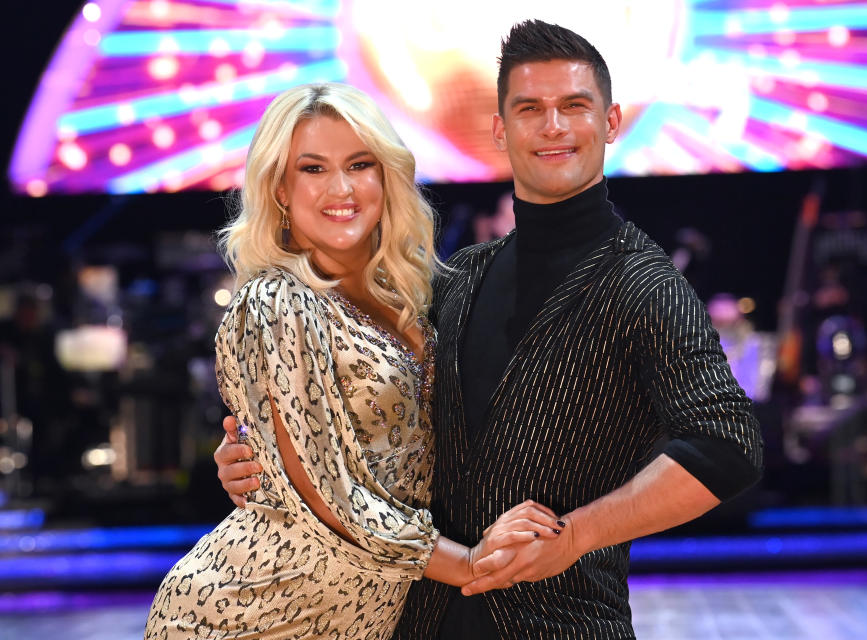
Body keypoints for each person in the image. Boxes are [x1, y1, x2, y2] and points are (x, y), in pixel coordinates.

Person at [217, 21, 763, 639]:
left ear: (611, 123)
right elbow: (362, 400)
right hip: (420, 622)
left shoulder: (643, 284)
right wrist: (260, 456)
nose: (553, 126)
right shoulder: (461, 277)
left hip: (562, 623)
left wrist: (575, 536)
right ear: (500, 129)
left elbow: (726, 444)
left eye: (574, 107)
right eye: (530, 108)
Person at [145, 82, 564, 640]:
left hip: (365, 614)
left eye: (360, 164)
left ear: (385, 176)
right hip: (255, 612)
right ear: (280, 190)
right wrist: (468, 563)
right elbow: (328, 501)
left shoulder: (414, 296)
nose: (340, 188)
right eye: (313, 169)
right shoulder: (275, 302)